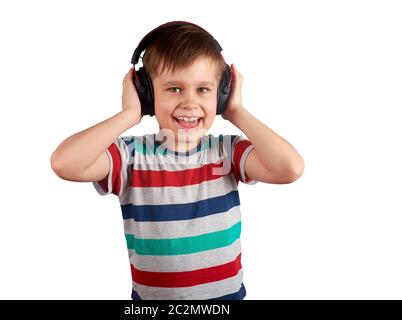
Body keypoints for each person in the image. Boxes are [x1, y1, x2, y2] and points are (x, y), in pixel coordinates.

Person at [50, 21, 305, 300]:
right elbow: (65, 163)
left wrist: (237, 111)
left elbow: (289, 168)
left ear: (221, 94)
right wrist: (128, 115)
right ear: (146, 94)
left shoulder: (228, 151)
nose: (189, 102)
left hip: (226, 298)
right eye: (174, 89)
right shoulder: (130, 156)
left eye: (204, 90)